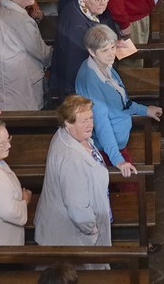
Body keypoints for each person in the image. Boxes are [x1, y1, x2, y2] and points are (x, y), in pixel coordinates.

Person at [78, 23, 161, 174]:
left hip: (118, 142)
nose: (111, 54)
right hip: (109, 148)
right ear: (91, 51)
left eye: (112, 48)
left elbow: (122, 101)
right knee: (130, 185)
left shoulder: (104, 65)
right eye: (105, 50)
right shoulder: (92, 82)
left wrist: (144, 110)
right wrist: (118, 159)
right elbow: (101, 124)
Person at [35, 93, 112, 245]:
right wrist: (91, 228)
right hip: (71, 235)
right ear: (68, 123)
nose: (90, 124)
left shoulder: (71, 135)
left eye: (91, 118)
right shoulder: (72, 159)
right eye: (84, 121)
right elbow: (77, 207)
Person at [0, 0, 51, 111]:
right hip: (18, 81)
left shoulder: (1, 10)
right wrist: (54, 55)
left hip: (6, 79)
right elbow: (40, 51)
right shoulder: (21, 19)